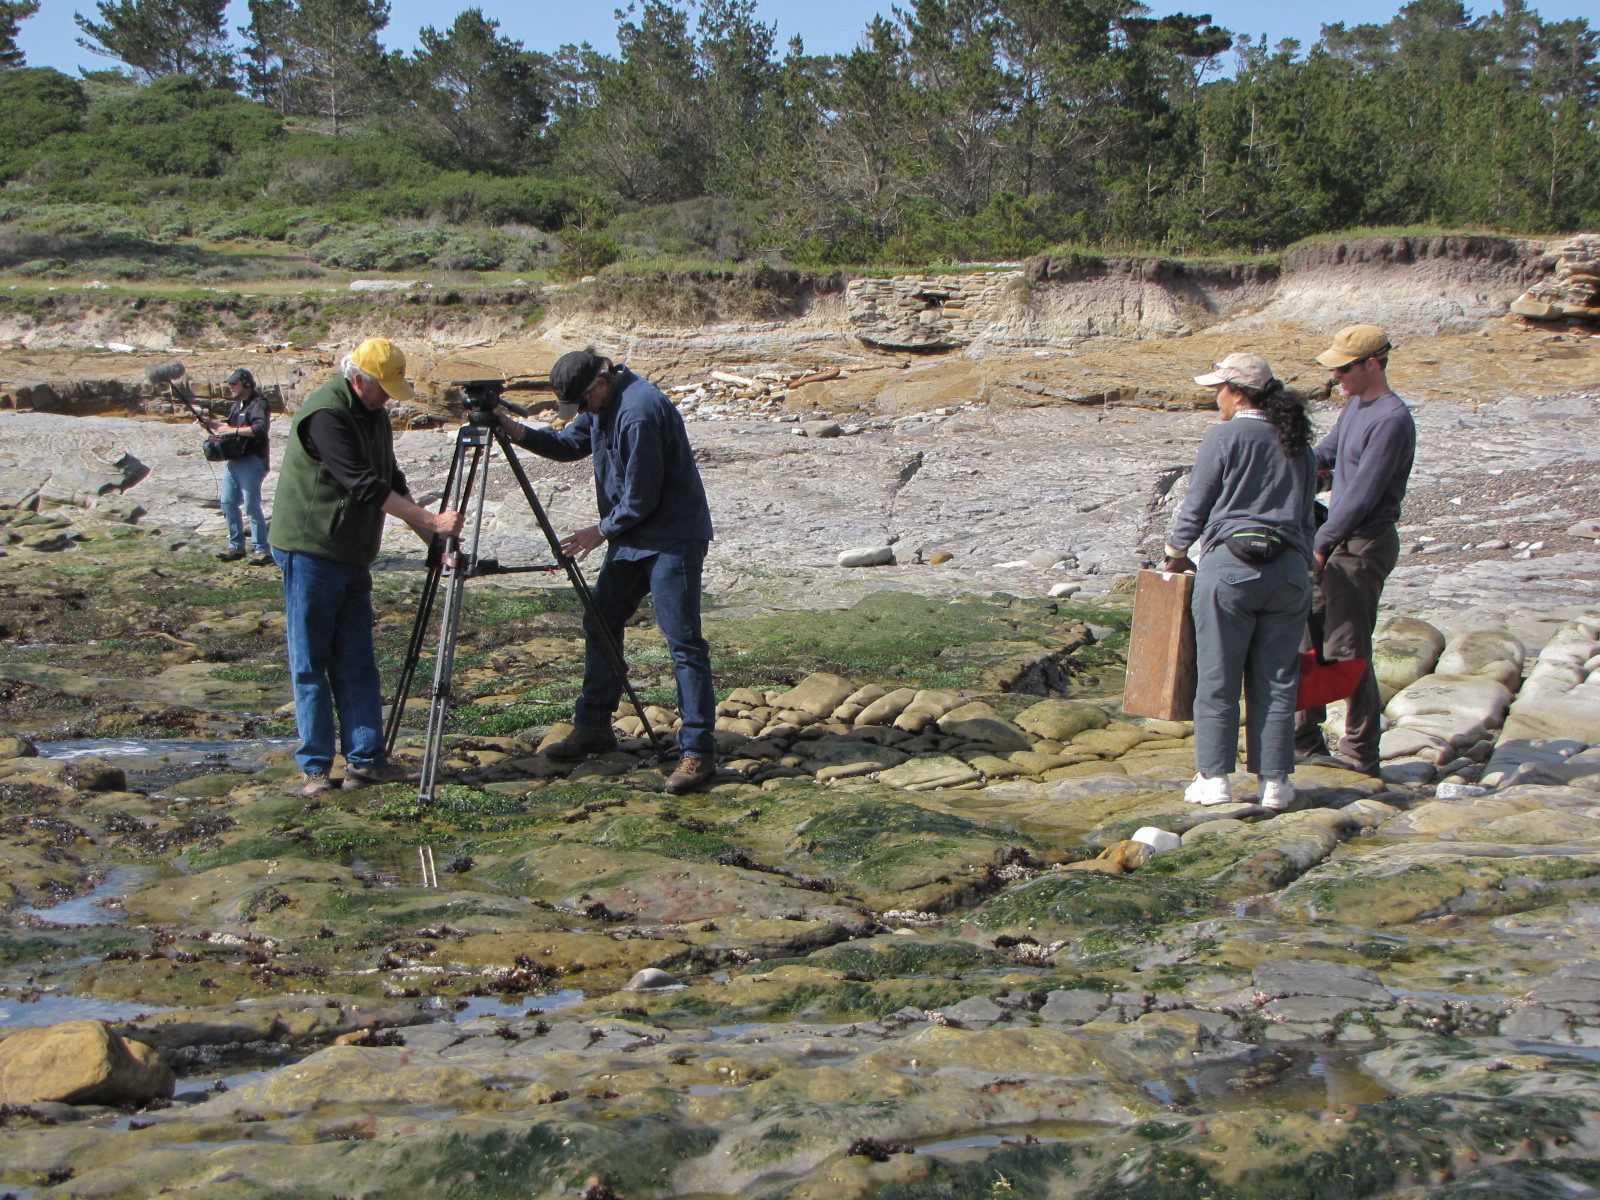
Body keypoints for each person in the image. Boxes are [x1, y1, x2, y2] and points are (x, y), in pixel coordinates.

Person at [497, 348, 718, 796]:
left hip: (671, 537)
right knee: (600, 619)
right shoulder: (598, 405)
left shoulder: (640, 411)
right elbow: (568, 445)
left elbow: (641, 496)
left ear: (599, 383)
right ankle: (594, 725)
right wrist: (515, 431)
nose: (581, 412)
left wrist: (598, 531)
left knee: (683, 642)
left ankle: (697, 750)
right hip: (632, 537)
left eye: (582, 403)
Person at [268, 338, 463, 798]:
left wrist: (433, 541)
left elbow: (391, 479)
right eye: (385, 389)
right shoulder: (326, 415)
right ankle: (315, 768)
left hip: (352, 553)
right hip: (310, 547)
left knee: (357, 661)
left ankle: (366, 760)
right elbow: (361, 484)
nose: (390, 400)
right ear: (359, 380)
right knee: (311, 662)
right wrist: (432, 521)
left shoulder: (373, 413)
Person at [1164, 352, 1317, 811]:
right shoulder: (1299, 442)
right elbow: (1309, 514)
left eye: (1218, 389)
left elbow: (1197, 504)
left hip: (1229, 569)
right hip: (1289, 570)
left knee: (1218, 676)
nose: (1215, 398)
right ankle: (1276, 784)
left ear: (1238, 392)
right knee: (1277, 678)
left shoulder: (1224, 437)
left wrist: (1174, 554)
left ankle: (1214, 778)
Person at [1295, 324, 1416, 776]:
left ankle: (1360, 751)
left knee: (1348, 647)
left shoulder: (1391, 418)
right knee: (1308, 635)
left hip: (1363, 544)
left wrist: (1322, 546)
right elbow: (1324, 457)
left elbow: (1363, 494)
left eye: (1344, 368)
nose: (1337, 377)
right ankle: (1304, 738)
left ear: (1373, 364)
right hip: (1334, 540)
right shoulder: (1355, 407)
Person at [209, 368, 272, 565]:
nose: (230, 388)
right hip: (234, 461)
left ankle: (262, 550)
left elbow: (260, 428)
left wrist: (233, 430)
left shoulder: (259, 403)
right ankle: (236, 546)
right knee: (227, 502)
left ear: (245, 382)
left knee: (252, 506)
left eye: (233, 384)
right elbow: (228, 430)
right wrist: (212, 425)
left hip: (252, 461)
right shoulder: (237, 406)